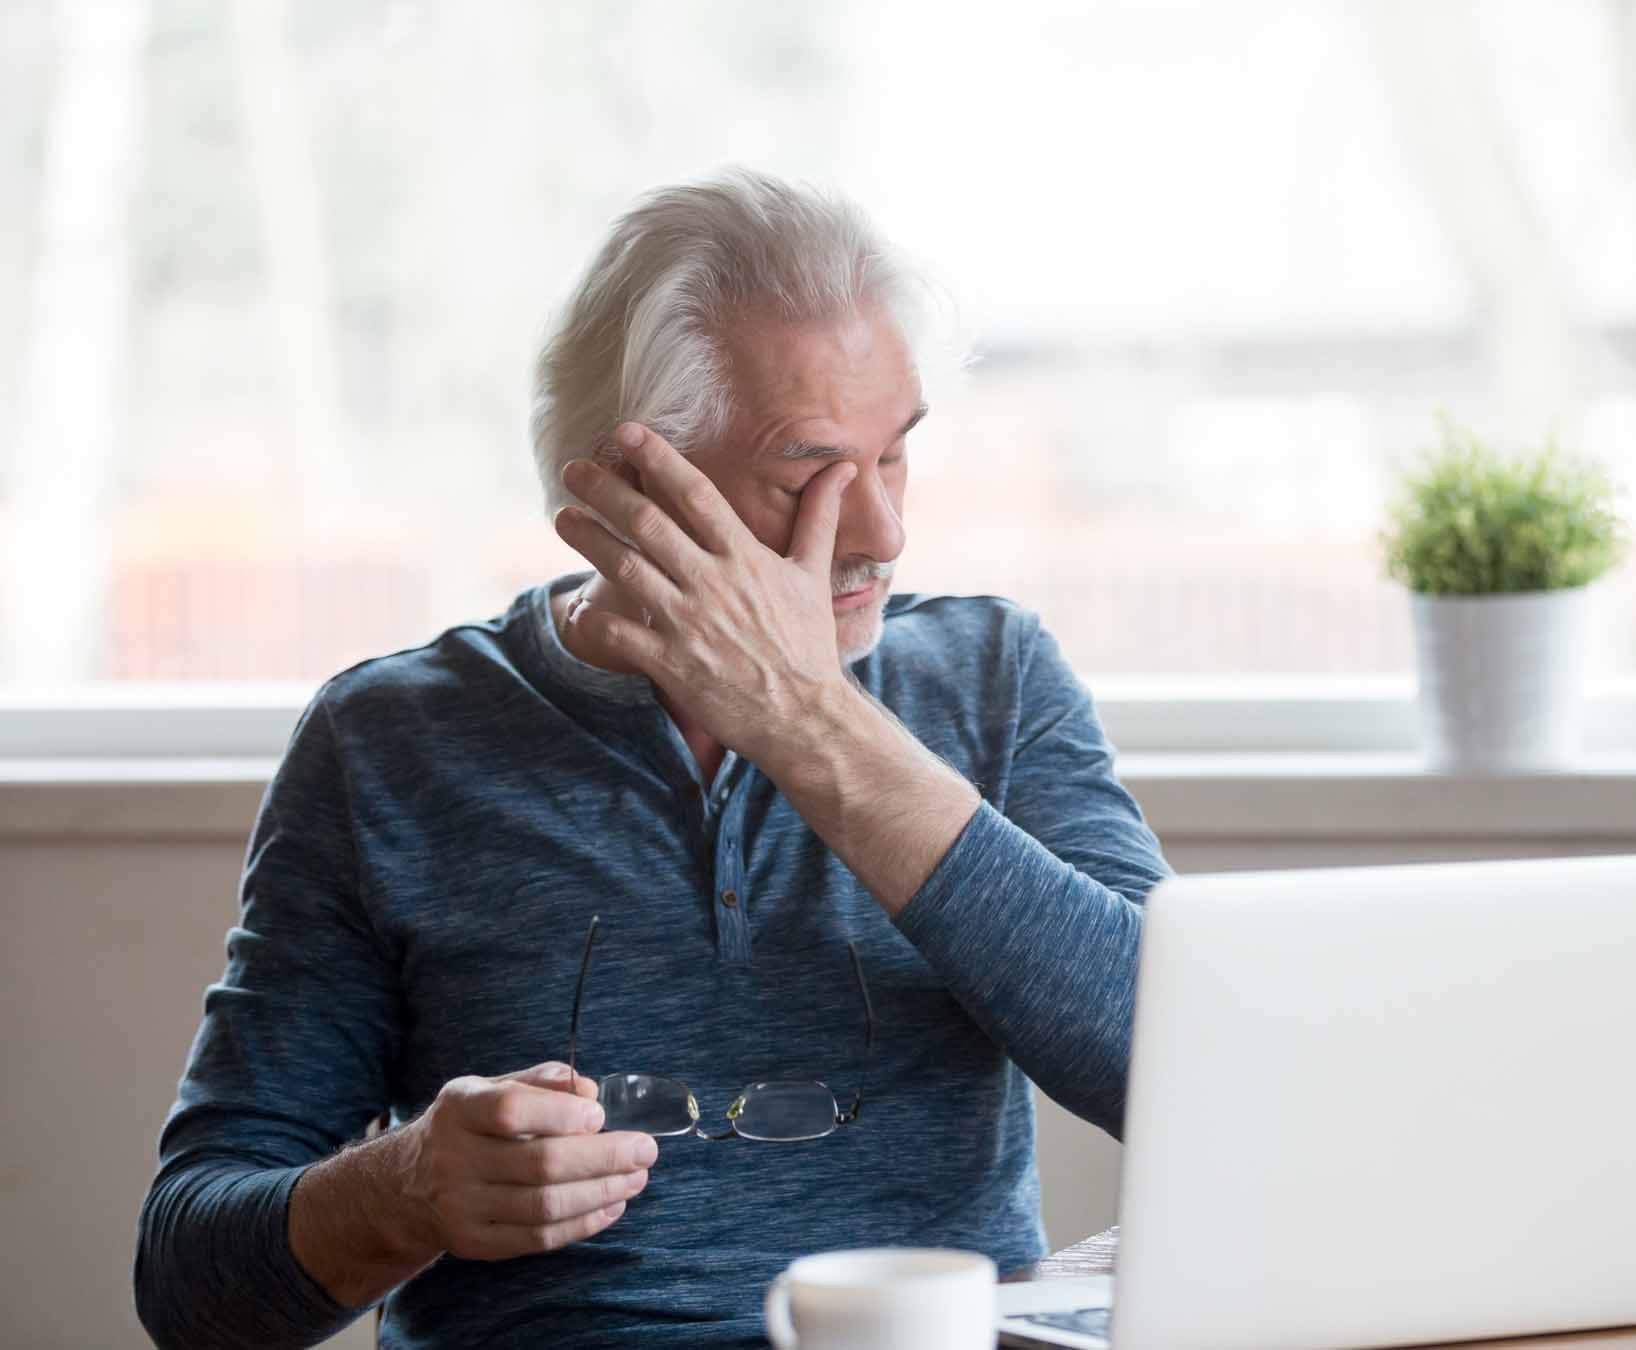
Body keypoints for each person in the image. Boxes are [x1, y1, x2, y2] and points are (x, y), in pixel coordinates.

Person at [134, 168, 1168, 1349]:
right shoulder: (386, 743)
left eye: (895, 458)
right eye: (808, 476)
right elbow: (190, 1284)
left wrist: (807, 721)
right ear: (633, 491)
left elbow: (1186, 1074)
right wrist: (407, 1186)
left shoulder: (996, 679)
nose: (882, 531)